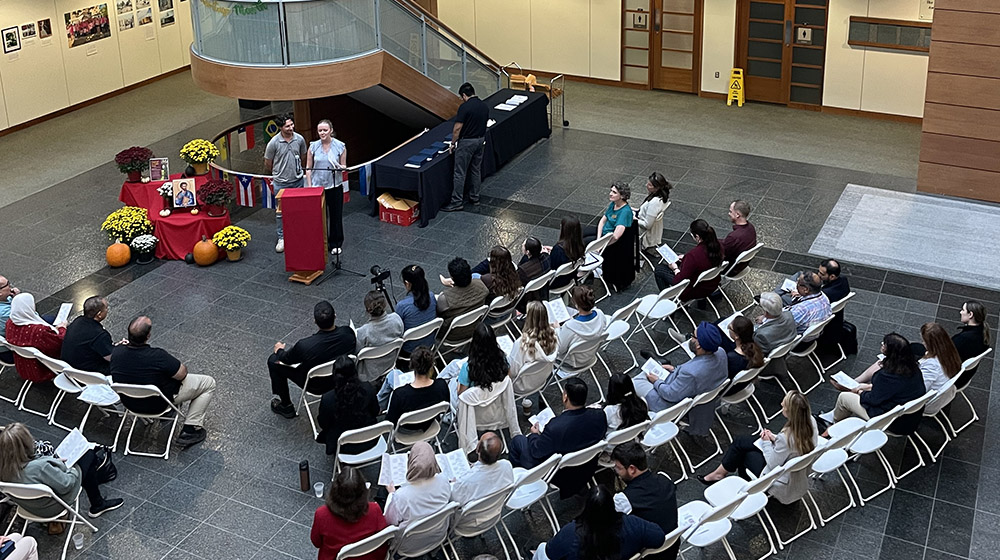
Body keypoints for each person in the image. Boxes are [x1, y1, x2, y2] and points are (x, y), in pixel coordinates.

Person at [111, 316, 216, 447]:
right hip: (158, 404)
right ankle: (191, 429)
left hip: (130, 403)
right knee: (208, 383)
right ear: (148, 336)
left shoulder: (116, 352)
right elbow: (182, 374)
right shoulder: (157, 356)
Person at [699, 391, 818, 505]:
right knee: (741, 442)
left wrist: (766, 442)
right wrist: (774, 438)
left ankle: (743, 486)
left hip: (780, 480)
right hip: (796, 475)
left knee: (744, 454)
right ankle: (719, 474)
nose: (781, 406)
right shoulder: (810, 421)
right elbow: (791, 448)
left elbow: (772, 463)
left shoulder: (786, 438)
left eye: (784, 407)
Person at [0, 422, 124, 519]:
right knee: (88, 455)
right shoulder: (40, 467)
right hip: (54, 506)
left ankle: (96, 497)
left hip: (29, 506)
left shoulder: (3, 467)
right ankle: (98, 504)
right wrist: (71, 468)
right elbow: (67, 484)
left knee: (84, 463)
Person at [267, 301, 356, 418]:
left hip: (315, 385)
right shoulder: (348, 333)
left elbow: (286, 359)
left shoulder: (305, 345)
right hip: (343, 377)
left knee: (273, 360)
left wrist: (279, 350)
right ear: (335, 316)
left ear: (315, 321)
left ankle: (286, 406)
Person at [829, 333, 926, 433]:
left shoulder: (886, 375)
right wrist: (866, 387)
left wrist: (859, 392)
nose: (882, 345)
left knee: (844, 397)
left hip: (889, 421)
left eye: (884, 344)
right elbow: (890, 389)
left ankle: (833, 426)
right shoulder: (914, 369)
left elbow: (873, 400)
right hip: (909, 419)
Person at [541, 485, 665, 560]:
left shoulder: (570, 534)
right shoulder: (631, 524)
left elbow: (551, 554)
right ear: (612, 506)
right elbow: (659, 538)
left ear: (586, 507)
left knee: (542, 549)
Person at [508, 378, 607, 469]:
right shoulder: (600, 415)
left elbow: (536, 451)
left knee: (518, 441)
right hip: (586, 465)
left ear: (565, 397)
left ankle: (518, 475)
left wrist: (534, 434)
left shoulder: (555, 427)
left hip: (556, 470)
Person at [634, 321, 728, 415]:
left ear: (699, 345)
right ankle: (659, 362)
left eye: (693, 336)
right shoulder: (721, 352)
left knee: (634, 381)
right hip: (692, 389)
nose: (690, 338)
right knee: (651, 371)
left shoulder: (691, 373)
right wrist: (675, 370)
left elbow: (670, 394)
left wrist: (656, 381)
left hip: (666, 403)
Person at [611, 443, 678, 560]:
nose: (616, 471)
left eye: (618, 468)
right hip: (672, 546)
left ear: (632, 469)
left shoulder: (624, 499)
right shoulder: (664, 479)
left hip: (648, 552)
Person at [383, 442, 453, 551]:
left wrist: (391, 493)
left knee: (382, 494)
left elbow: (389, 521)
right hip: (437, 535)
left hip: (407, 545)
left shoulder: (401, 497)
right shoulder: (444, 481)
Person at [311, 467, 388, 560]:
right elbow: (383, 538)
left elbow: (316, 542)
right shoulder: (374, 510)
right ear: (363, 490)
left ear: (335, 491)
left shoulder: (322, 514)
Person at [316, 357, 381, 456]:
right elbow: (376, 411)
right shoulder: (368, 388)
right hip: (370, 440)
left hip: (342, 446)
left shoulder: (328, 399)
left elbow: (323, 423)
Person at [264, 113, 308, 253]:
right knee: (280, 212)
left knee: (299, 210)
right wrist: (278, 173)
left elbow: (303, 156)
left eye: (292, 124)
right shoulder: (274, 143)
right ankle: (282, 237)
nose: (291, 128)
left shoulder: (299, 139)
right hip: (281, 183)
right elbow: (268, 163)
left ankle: (299, 234)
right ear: (280, 127)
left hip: (297, 181)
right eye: (287, 126)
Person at [442, 82, 489, 212]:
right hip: (480, 140)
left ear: (464, 95)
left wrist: (452, 143)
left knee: (460, 173)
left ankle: (457, 201)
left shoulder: (464, 107)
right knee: (475, 170)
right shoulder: (484, 105)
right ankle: (475, 197)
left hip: (467, 143)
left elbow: (457, 128)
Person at [305, 119, 348, 255]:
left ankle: (336, 243)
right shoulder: (313, 146)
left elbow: (344, 166)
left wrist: (339, 167)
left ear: (331, 130)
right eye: (320, 131)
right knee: (319, 216)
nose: (322, 133)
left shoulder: (340, 146)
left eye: (325, 130)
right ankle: (320, 242)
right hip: (318, 186)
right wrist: (310, 187)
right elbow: (308, 168)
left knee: (336, 216)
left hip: (334, 185)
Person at [653, 219, 724, 302]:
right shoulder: (718, 246)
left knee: (659, 270)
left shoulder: (693, 256)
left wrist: (675, 269)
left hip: (694, 290)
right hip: (712, 284)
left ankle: (667, 301)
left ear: (697, 237)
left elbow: (679, 281)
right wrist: (685, 258)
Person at [584, 182, 636, 291]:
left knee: (584, 242)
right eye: (611, 191)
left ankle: (584, 270)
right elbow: (602, 221)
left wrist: (601, 245)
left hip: (609, 240)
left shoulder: (625, 212)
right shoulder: (613, 204)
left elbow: (616, 236)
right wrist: (598, 239)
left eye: (614, 192)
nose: (610, 194)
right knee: (581, 232)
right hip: (603, 235)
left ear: (622, 196)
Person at [5, 293, 66, 383]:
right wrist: (62, 328)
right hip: (43, 370)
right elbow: (60, 343)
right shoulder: (40, 330)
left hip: (23, 368)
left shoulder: (10, 323)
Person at [384, 347, 450, 430]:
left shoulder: (400, 394)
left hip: (404, 429)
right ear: (432, 366)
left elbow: (390, 421)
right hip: (428, 424)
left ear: (411, 366)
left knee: (394, 374)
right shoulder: (442, 385)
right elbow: (445, 409)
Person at [450, 432, 515, 506]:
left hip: (471, 513)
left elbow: (454, 500)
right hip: (495, 509)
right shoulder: (506, 466)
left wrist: (454, 484)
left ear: (477, 450)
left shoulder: (465, 482)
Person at [508, 301, 558, 393]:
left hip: (521, 386)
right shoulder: (553, 335)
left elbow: (512, 372)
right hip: (542, 378)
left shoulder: (521, 344)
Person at [355, 291, 404, 383]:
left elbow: (357, 352)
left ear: (367, 310)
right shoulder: (396, 319)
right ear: (385, 304)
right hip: (390, 363)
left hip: (370, 373)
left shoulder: (363, 332)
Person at [555, 286, 607, 370]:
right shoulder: (600, 314)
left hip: (571, 362)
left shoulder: (569, 327)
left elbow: (560, 350)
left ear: (576, 304)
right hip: (590, 356)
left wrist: (557, 329)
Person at [915, 323, 962, 415]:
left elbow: (920, 390)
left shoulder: (931, 366)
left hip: (926, 403)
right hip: (945, 392)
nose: (923, 343)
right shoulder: (950, 352)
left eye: (924, 341)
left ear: (931, 345)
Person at [436, 257, 489, 339]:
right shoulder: (481, 285)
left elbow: (438, 313)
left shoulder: (444, 298)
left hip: (452, 335)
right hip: (475, 327)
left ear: (452, 278)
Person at [61, 296, 114, 376]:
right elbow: (111, 358)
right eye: (106, 308)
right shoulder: (100, 335)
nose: (107, 310)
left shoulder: (78, 321)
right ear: (99, 314)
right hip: (88, 373)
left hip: (70, 368)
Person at [396, 265, 438, 356]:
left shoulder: (402, 306)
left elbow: (397, 329)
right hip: (429, 344)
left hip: (409, 350)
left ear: (407, 283)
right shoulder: (431, 296)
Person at [456, 323, 508, 395]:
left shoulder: (468, 368)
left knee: (452, 370)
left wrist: (458, 382)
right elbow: (508, 376)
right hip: (495, 395)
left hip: (474, 399)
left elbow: (461, 394)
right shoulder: (502, 358)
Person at [721, 316, 765, 395]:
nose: (727, 328)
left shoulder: (731, 358)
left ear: (737, 336)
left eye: (730, 328)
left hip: (728, 390)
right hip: (743, 385)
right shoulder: (756, 349)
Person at [952, 301, 991, 386]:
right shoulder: (983, 332)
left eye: (963, 310)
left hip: (954, 379)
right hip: (966, 376)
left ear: (970, 315)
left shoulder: (963, 339)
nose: (960, 312)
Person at [787, 272, 832, 341]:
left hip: (796, 340)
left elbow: (784, 327)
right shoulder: (824, 297)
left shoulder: (801, 309)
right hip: (813, 335)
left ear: (806, 289)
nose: (796, 284)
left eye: (798, 283)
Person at [547, 215, 586, 289]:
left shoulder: (558, 249)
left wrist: (546, 254)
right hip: (570, 277)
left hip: (555, 282)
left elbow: (552, 267)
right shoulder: (580, 245)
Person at [720, 200, 756, 275]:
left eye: (730, 211)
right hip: (741, 266)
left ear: (737, 215)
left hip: (730, 269)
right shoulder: (751, 228)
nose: (729, 214)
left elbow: (722, 254)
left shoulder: (734, 237)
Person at [636, 172, 671, 250]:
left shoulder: (654, 203)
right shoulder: (661, 198)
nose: (646, 185)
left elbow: (647, 225)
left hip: (640, 226)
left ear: (656, 188)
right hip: (641, 217)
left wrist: (634, 220)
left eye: (649, 185)